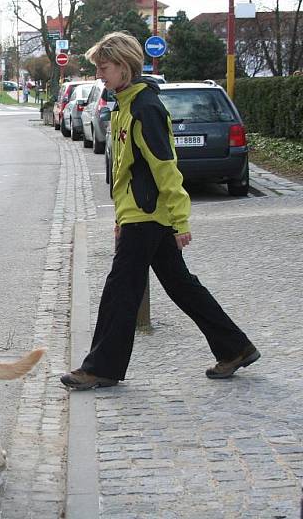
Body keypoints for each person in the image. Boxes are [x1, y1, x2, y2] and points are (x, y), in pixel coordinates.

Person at [60, 32, 259, 390]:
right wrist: (122, 217)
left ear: (124, 66)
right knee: (181, 285)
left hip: (148, 216)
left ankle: (100, 368)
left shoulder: (144, 108)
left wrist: (180, 220)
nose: (99, 75)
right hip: (139, 215)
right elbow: (125, 170)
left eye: (103, 68)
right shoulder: (126, 104)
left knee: (120, 290)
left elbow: (165, 166)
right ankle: (236, 348)